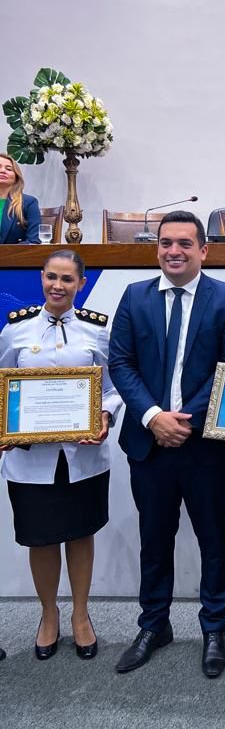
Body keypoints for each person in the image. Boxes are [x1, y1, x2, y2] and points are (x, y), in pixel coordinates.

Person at [108, 211, 225, 678]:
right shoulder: (134, 297)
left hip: (204, 446)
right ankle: (154, 624)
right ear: (157, 249)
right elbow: (121, 363)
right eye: (166, 243)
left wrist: (182, 420)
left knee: (214, 538)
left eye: (185, 244)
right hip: (148, 443)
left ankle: (214, 628)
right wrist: (153, 417)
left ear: (203, 250)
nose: (174, 251)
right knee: (154, 538)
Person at [0, 249, 120, 659]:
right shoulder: (15, 330)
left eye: (67, 279)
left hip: (82, 454)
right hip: (30, 458)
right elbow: (3, 388)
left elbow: (114, 387)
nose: (57, 285)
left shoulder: (97, 331)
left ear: (80, 284)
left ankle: (81, 616)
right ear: (41, 277)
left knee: (80, 532)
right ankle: (48, 615)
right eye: (51, 276)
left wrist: (105, 414)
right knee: (42, 538)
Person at [0, 153, 41, 244]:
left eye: (9, 169)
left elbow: (33, 241)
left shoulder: (29, 203)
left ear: (16, 177)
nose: (3, 171)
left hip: (13, 257)